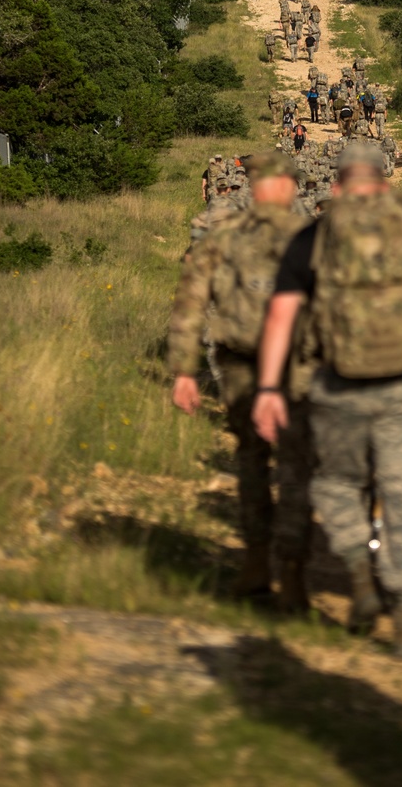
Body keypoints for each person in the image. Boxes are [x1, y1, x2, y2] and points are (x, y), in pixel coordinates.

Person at [254, 142, 402, 658]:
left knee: (336, 484)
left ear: (340, 185)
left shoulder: (316, 234)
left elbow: (281, 316)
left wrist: (268, 388)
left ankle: (359, 577)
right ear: (386, 183)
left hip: (338, 386)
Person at [169, 154, 313, 609]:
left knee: (251, 460)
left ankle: (255, 559)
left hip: (239, 367)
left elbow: (190, 304)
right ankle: (291, 568)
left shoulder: (223, 237)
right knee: (297, 465)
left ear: (252, 186)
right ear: (290, 186)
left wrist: (184, 371)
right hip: (300, 369)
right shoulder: (312, 237)